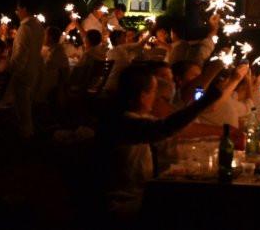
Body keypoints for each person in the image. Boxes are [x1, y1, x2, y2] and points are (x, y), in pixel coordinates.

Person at [95, 64, 223, 216]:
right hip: (124, 205)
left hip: (143, 196)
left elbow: (173, 131)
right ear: (143, 96)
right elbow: (166, 127)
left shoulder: (136, 119)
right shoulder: (121, 124)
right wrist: (204, 102)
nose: (156, 97)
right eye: (154, 92)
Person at [10, 0, 45, 139]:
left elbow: (20, 55)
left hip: (22, 75)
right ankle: (28, 135)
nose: (17, 12)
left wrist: (10, 72)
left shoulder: (25, 28)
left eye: (18, 9)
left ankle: (25, 139)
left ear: (24, 9)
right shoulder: (38, 26)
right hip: (34, 70)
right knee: (27, 108)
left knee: (22, 110)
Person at [36, 26, 70, 103]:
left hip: (51, 87)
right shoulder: (54, 49)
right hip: (54, 84)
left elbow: (45, 68)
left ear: (50, 37)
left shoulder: (56, 52)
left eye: (45, 35)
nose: (43, 37)